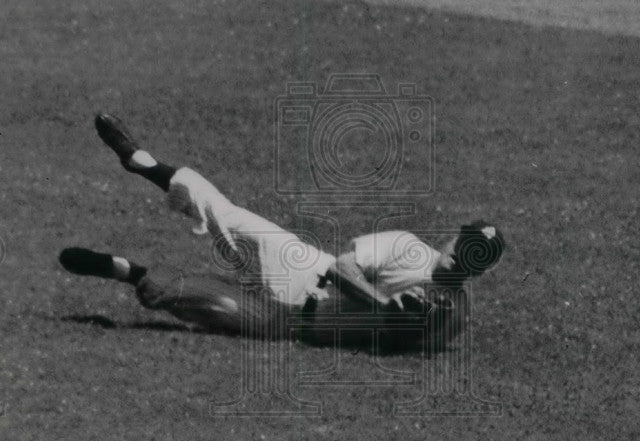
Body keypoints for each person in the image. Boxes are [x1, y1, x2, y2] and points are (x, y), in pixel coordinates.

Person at [58, 114, 505, 352]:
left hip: (286, 328)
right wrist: (385, 305)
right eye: (462, 246)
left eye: (472, 258)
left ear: (478, 271)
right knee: (226, 216)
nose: (459, 257)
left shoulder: (455, 317)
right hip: (300, 271)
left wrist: (407, 330)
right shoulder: (407, 248)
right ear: (453, 239)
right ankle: (145, 163)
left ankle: (123, 270)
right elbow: (345, 267)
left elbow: (401, 345)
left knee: (186, 299)